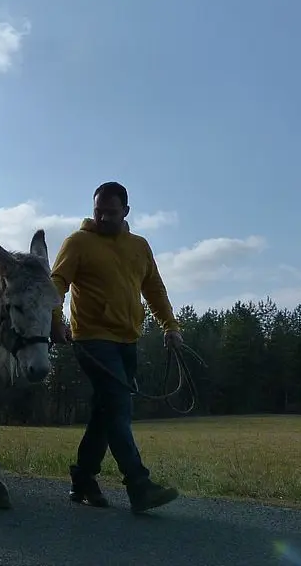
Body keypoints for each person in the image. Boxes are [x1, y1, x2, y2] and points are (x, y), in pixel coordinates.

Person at [49, 181, 182, 513]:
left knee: (105, 414)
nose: (104, 217)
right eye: (99, 211)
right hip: (92, 339)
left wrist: (171, 326)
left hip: (128, 340)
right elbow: (57, 282)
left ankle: (82, 480)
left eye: (111, 211)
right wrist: (54, 319)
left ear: (125, 210)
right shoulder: (77, 242)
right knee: (119, 409)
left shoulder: (140, 246)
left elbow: (154, 288)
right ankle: (139, 485)